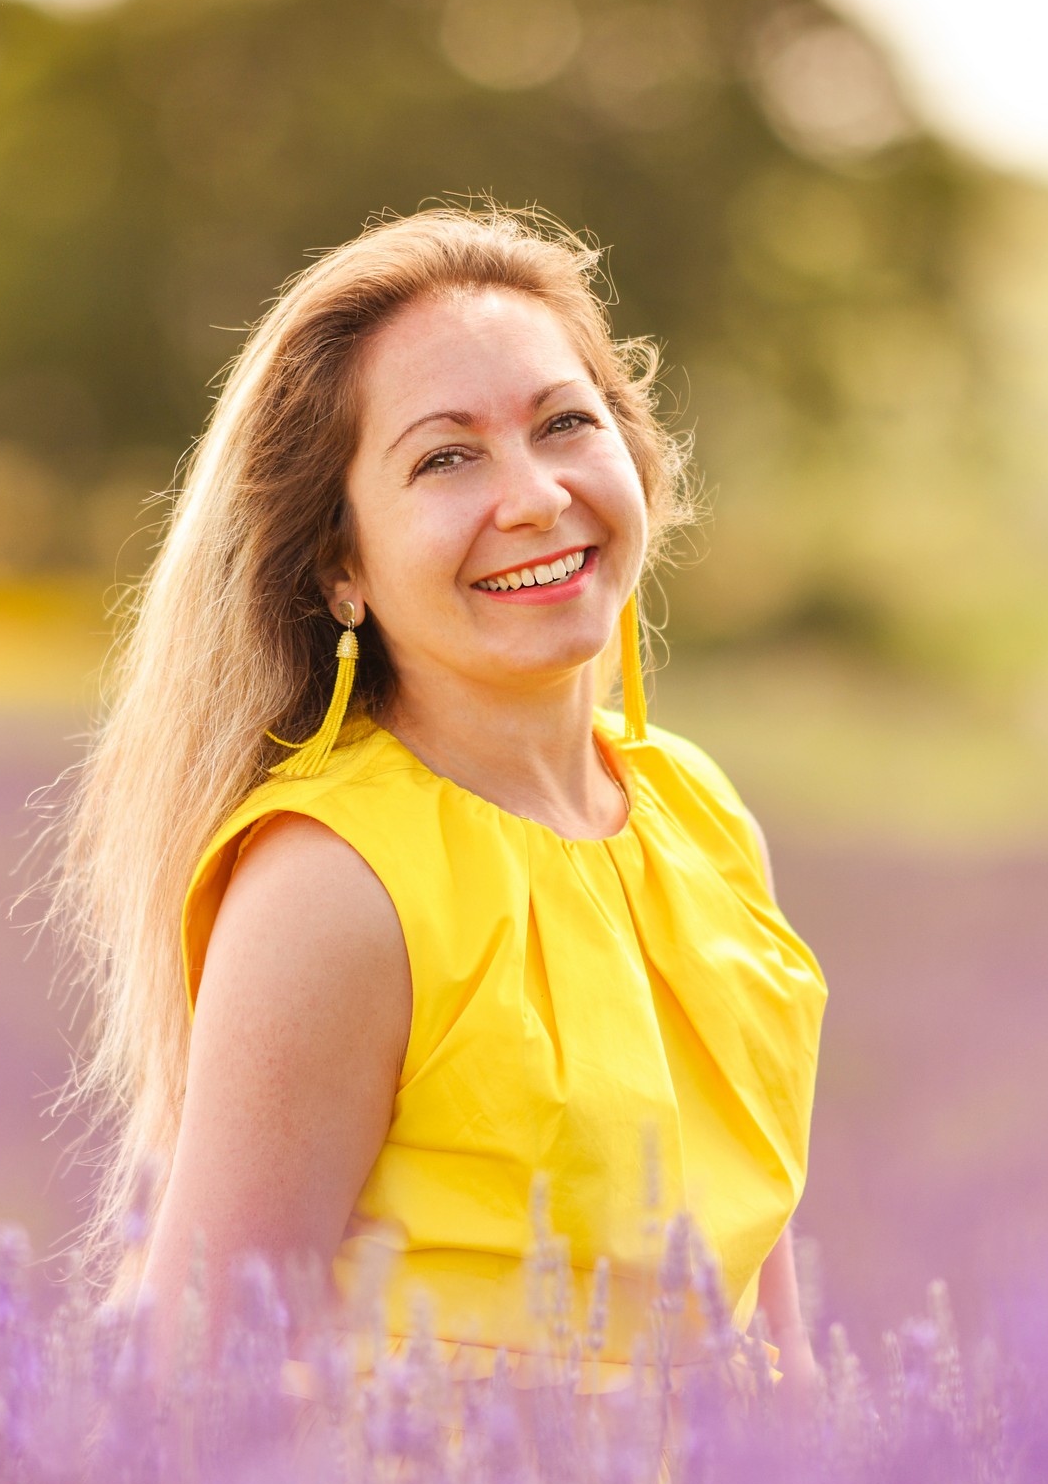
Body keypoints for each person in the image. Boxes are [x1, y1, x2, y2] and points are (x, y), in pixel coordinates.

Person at [54, 206, 827, 1386]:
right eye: (446, 458)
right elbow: (191, 1386)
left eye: (565, 423)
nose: (535, 497)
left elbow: (769, 1334)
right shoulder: (335, 884)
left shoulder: (704, 819)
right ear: (341, 565)